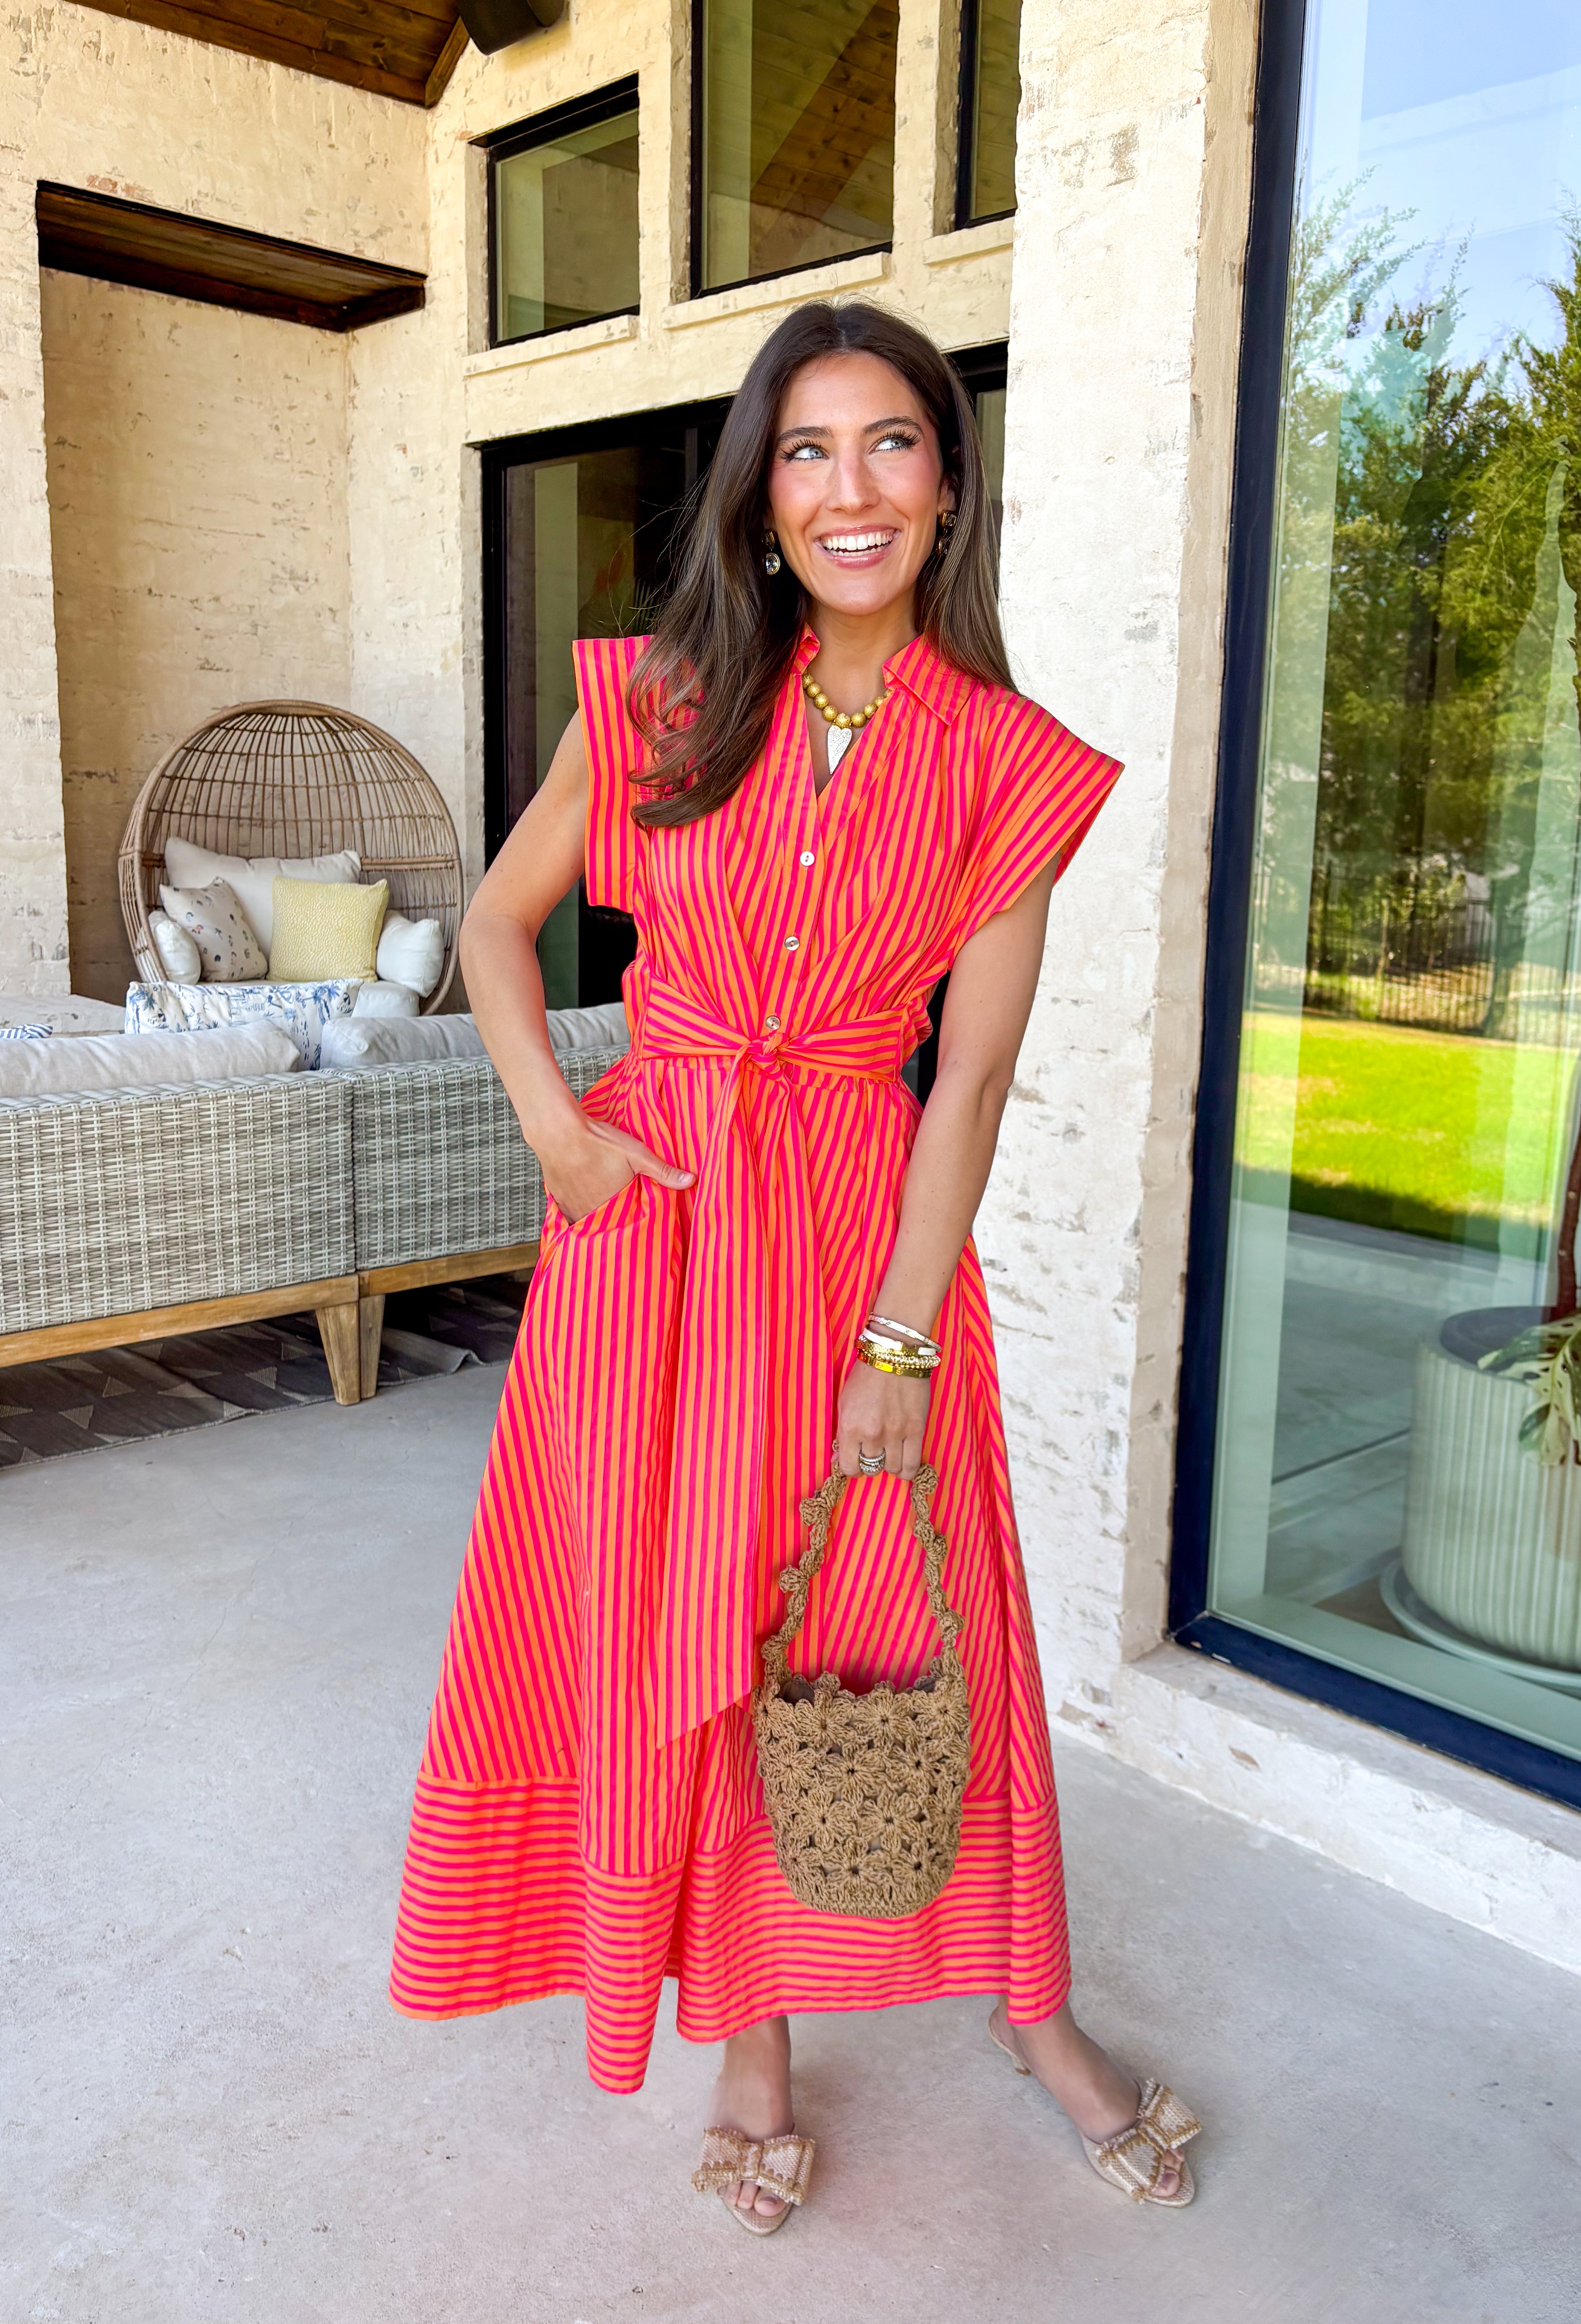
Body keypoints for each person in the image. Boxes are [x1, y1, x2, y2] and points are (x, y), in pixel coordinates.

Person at [390, 300, 1203, 2228]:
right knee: (688, 1636)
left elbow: (976, 1071)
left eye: (892, 445)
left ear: (946, 484)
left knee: (912, 1629)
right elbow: (497, 931)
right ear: (761, 496)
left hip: (859, 1247)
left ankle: (1030, 2008)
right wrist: (561, 1130)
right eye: (809, 449)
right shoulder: (664, 698)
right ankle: (746, 2033)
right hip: (650, 1253)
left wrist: (899, 1345)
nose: (851, 487)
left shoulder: (1004, 756)